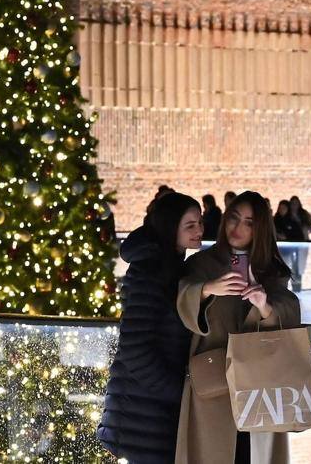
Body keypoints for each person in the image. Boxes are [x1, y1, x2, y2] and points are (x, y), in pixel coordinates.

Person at [175, 191, 300, 464]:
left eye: (249, 222)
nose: (238, 227)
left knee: (253, 452)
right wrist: (207, 289)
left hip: (260, 385)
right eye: (234, 218)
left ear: (260, 228)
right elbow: (182, 303)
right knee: (213, 451)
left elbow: (289, 316)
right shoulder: (201, 264)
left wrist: (264, 304)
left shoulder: (272, 270)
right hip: (213, 382)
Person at [97, 192, 204, 463]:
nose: (200, 230)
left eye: (200, 222)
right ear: (171, 227)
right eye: (190, 225)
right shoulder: (149, 272)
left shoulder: (171, 267)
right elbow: (135, 350)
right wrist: (180, 391)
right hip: (139, 416)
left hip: (149, 415)